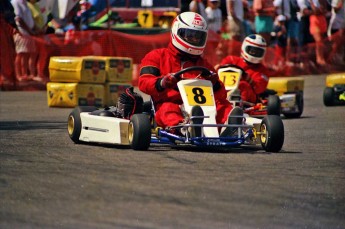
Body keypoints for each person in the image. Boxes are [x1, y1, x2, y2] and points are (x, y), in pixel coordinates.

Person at [138, 12, 243, 136]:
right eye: (190, 36)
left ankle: (227, 126)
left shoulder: (203, 64)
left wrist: (215, 85)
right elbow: (144, 82)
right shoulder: (157, 56)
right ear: (177, 32)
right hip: (173, 105)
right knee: (166, 109)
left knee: (223, 106)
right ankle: (185, 128)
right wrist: (163, 82)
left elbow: (221, 95)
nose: (195, 39)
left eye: (198, 37)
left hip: (203, 109)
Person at [217, 34, 270, 104]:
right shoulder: (231, 59)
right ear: (244, 47)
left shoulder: (262, 70)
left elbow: (259, 89)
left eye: (258, 52)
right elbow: (219, 74)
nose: (254, 53)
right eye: (252, 50)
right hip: (225, 90)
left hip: (248, 98)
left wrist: (248, 79)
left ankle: (238, 106)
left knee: (243, 85)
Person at [11, 0, 38, 82]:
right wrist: (29, 30)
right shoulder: (16, 2)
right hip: (22, 33)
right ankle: (19, 75)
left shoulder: (25, 3)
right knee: (21, 54)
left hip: (28, 34)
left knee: (27, 54)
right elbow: (18, 19)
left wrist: (33, 30)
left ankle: (25, 74)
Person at [327, 0, 345, 64]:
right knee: (337, 44)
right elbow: (335, 9)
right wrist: (341, 2)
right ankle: (333, 59)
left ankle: (341, 59)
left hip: (343, 24)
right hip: (337, 25)